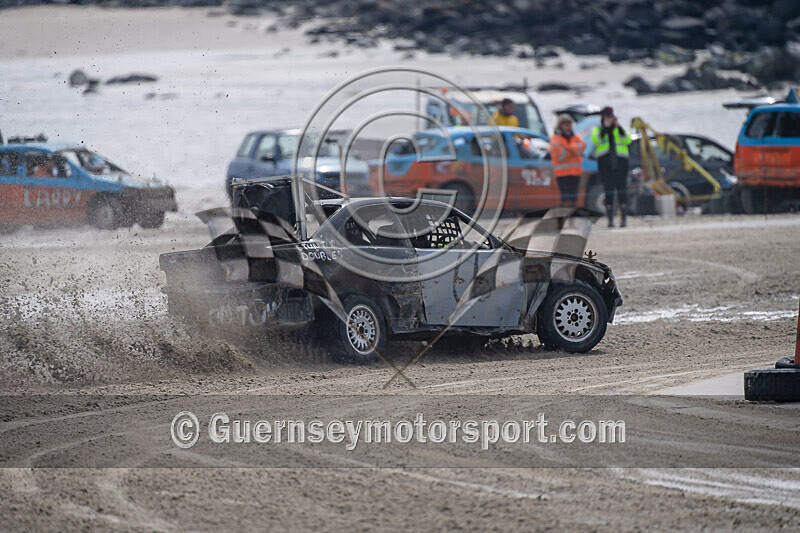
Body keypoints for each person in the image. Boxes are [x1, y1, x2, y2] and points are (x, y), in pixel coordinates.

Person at [592, 106, 632, 227]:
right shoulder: (598, 129)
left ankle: (623, 219)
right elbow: (596, 141)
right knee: (608, 190)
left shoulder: (618, 129)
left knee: (622, 190)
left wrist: (619, 127)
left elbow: (628, 140)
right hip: (605, 164)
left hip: (621, 163)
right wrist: (606, 128)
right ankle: (610, 220)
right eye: (607, 117)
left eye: (611, 117)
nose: (609, 119)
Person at [549, 114, 585, 207]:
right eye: (565, 124)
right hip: (561, 174)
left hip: (575, 172)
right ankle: (563, 213)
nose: (568, 127)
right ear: (560, 125)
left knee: (574, 197)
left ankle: (573, 213)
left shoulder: (577, 137)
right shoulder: (555, 138)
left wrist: (567, 147)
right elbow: (559, 155)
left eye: (569, 124)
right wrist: (572, 149)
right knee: (564, 197)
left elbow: (581, 148)